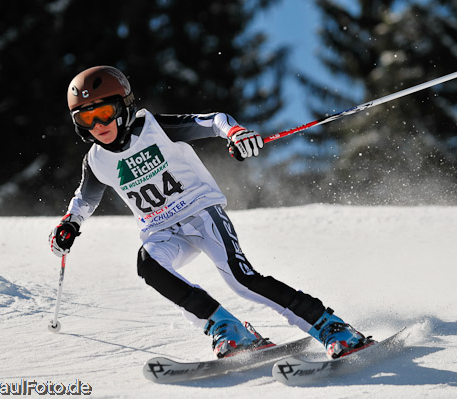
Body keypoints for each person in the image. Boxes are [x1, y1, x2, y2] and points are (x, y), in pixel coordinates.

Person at [49, 65, 372, 359]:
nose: (98, 125)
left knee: (240, 280)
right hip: (161, 230)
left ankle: (330, 325)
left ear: (124, 107)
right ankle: (228, 328)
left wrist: (235, 134)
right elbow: (85, 198)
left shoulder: (156, 128)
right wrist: (70, 223)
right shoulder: (96, 160)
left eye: (104, 112)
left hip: (200, 213)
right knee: (149, 266)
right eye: (86, 118)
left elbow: (214, 120)